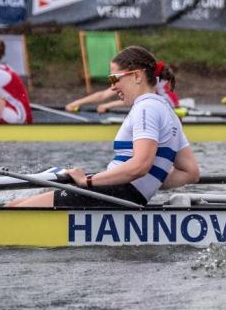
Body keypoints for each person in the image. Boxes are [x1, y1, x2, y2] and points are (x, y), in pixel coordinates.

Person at [11, 46, 199, 209]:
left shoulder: (146, 108)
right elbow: (191, 173)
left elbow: (140, 165)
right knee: (17, 203)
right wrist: (150, 182)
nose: (113, 87)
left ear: (137, 76)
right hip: (121, 193)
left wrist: (88, 181)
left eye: (114, 79)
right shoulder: (169, 112)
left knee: (12, 209)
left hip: (116, 194)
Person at [69, 61, 178, 114]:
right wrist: (76, 103)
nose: (112, 74)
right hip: (158, 107)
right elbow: (103, 94)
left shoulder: (142, 77)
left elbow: (133, 100)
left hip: (171, 109)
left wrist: (108, 105)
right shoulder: (128, 75)